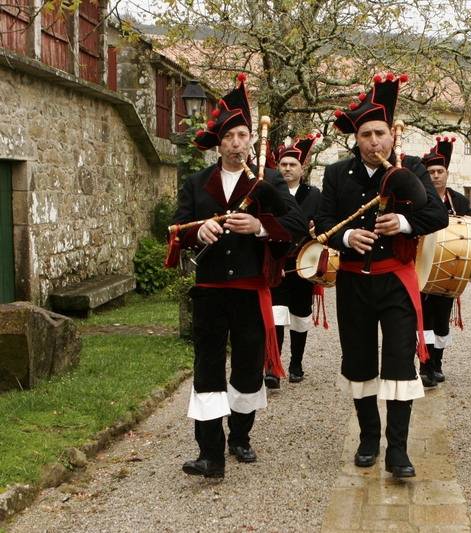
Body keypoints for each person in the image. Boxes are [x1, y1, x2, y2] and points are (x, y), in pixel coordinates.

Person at [170, 73, 306, 478]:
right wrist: (198, 231)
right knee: (207, 368)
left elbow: (298, 223)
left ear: (251, 139)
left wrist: (260, 227)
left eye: (242, 135)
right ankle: (209, 453)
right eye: (229, 136)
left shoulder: (265, 183)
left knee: (247, 367)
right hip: (210, 291)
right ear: (219, 141)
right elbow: (177, 229)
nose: (236, 142)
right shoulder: (197, 183)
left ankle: (241, 436)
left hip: (250, 290)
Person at [316, 72, 448, 478]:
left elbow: (437, 214)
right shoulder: (338, 174)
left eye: (380, 133)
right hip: (354, 282)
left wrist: (405, 224)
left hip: (396, 282)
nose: (374, 142)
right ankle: (368, 438)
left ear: (393, 134)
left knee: (398, 364)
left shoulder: (411, 169)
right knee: (358, 361)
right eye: (366, 135)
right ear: (356, 139)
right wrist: (348, 235)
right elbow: (321, 220)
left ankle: (398, 451)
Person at [418, 136, 471, 387]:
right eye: (431, 172)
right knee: (424, 320)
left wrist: (467, 221)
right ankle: (424, 365)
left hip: (448, 270)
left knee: (442, 321)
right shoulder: (418, 199)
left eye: (439, 171)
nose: (435, 176)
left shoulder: (460, 201)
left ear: (446, 173)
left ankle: (437, 363)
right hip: (423, 268)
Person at [265, 134, 323, 389]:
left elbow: (323, 225)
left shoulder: (314, 195)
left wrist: (316, 230)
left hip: (303, 264)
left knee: (300, 318)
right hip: (277, 260)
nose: (287, 169)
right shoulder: (269, 191)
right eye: (283, 165)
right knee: (276, 315)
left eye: (292, 165)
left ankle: (296, 362)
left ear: (302, 169)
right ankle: (273, 367)